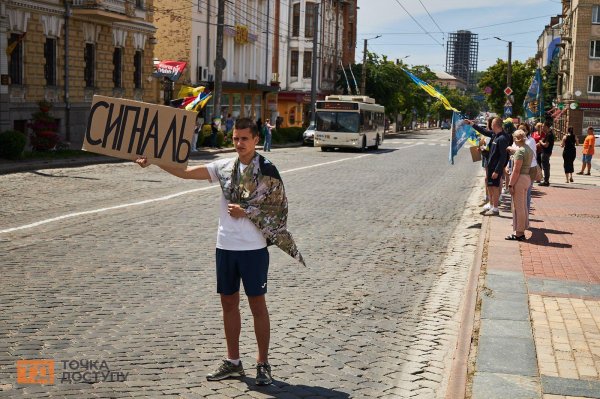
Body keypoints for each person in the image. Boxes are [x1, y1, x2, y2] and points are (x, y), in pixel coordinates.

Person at [135, 117, 305, 386]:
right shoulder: (224, 167)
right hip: (225, 246)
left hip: (253, 249)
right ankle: (233, 362)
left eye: (244, 139)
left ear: (256, 139)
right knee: (228, 304)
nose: (239, 143)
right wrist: (155, 161)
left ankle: (263, 364)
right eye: (236, 138)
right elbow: (186, 172)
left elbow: (279, 211)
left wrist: (246, 211)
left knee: (257, 305)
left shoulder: (268, 171)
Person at [467, 117, 510, 216]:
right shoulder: (495, 135)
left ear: (495, 125)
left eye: (492, 124)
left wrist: (497, 170)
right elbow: (483, 131)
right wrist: (471, 124)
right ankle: (491, 205)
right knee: (490, 186)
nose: (490, 126)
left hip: (495, 168)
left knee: (495, 187)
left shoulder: (502, 138)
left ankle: (495, 208)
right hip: (490, 166)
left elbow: (503, 157)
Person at [506, 129, 534, 241]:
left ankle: (519, 234)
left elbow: (516, 171)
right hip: (527, 178)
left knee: (518, 208)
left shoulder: (520, 151)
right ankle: (521, 231)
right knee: (523, 207)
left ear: (517, 139)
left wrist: (510, 185)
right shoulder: (529, 149)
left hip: (520, 179)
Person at [538, 121, 554, 186]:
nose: (542, 128)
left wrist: (540, 141)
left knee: (545, 167)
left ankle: (546, 181)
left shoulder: (549, 134)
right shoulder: (548, 134)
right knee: (546, 166)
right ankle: (546, 180)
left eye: (543, 126)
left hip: (545, 152)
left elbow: (546, 145)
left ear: (546, 127)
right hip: (546, 152)